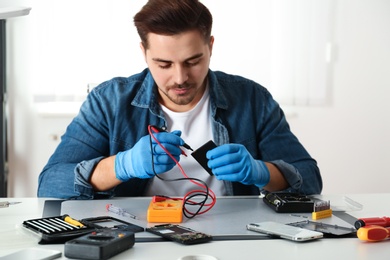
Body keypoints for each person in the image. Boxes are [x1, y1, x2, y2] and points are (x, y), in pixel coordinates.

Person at [37, 0, 322, 199]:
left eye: (193, 61)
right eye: (163, 64)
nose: (180, 77)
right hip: (136, 238)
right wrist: (122, 166)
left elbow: (310, 178)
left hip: (234, 236)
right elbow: (50, 184)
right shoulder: (108, 101)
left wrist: (262, 172)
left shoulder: (252, 99)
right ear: (144, 53)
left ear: (210, 47)